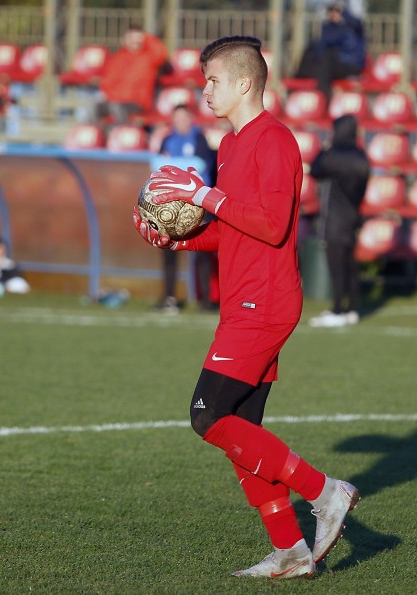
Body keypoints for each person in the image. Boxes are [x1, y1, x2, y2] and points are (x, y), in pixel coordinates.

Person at [132, 35, 358, 577]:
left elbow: (274, 224)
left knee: (207, 415)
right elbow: (236, 229)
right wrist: (178, 240)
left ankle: (325, 492)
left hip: (267, 301)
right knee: (240, 426)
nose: (204, 89)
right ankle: (291, 552)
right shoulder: (230, 145)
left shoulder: (274, 139)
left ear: (243, 83)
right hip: (241, 300)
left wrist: (201, 195)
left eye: (211, 80)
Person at [308, 114, 370, 328]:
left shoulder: (335, 156)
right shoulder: (361, 156)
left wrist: (325, 148)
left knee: (336, 266)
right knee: (350, 264)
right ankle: (352, 308)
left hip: (335, 219)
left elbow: (315, 169)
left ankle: (337, 309)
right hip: (353, 216)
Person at [156, 104, 217, 314]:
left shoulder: (199, 139)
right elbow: (157, 166)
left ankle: (205, 300)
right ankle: (169, 297)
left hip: (197, 204)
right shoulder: (168, 139)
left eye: (183, 117)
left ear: (191, 119)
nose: (180, 122)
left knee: (202, 251)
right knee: (168, 248)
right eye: (176, 118)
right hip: (173, 205)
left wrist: (174, 167)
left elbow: (198, 166)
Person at [78, 24, 168, 125]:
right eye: (131, 37)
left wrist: (147, 37)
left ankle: (122, 135)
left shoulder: (148, 58)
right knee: (92, 109)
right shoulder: (116, 59)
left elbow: (161, 53)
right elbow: (108, 82)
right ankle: (100, 136)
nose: (134, 41)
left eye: (137, 38)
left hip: (137, 103)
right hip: (115, 101)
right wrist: (114, 96)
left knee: (117, 108)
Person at [293, 0, 367, 99]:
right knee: (311, 52)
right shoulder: (328, 27)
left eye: (336, 10)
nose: (333, 13)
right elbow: (322, 46)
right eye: (331, 10)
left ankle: (324, 99)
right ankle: (297, 89)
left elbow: (356, 24)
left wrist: (343, 13)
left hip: (350, 65)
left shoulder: (354, 28)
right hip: (332, 64)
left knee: (326, 64)